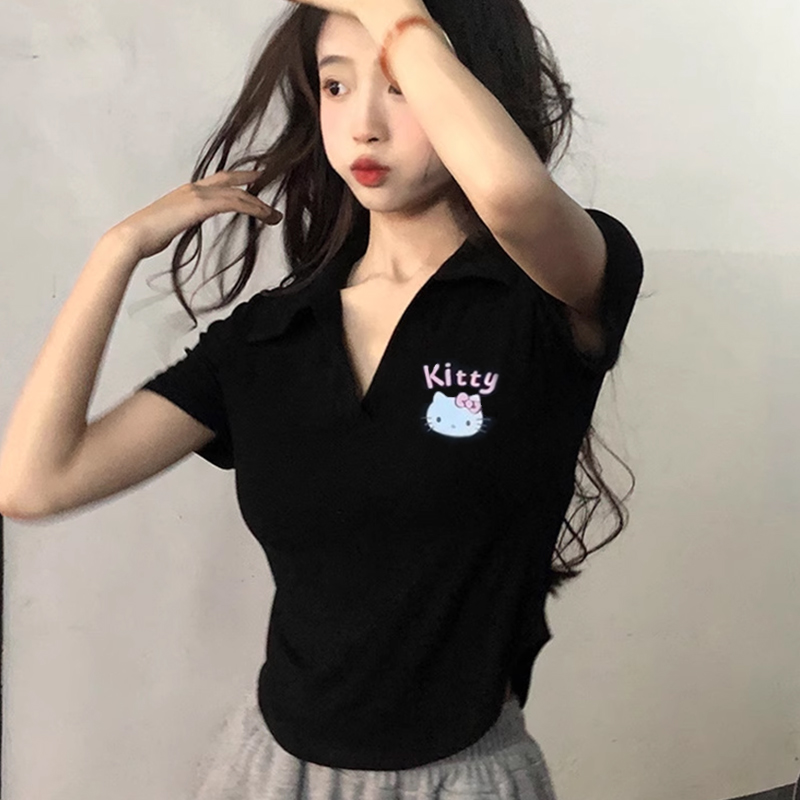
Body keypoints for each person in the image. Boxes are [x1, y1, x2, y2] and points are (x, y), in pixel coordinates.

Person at [0, 0, 644, 797]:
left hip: (461, 777)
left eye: (400, 86)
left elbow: (511, 196)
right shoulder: (269, 337)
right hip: (271, 772)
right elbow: (35, 482)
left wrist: (395, 15)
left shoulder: (552, 293)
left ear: (474, 86)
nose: (362, 127)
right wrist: (116, 250)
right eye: (335, 87)